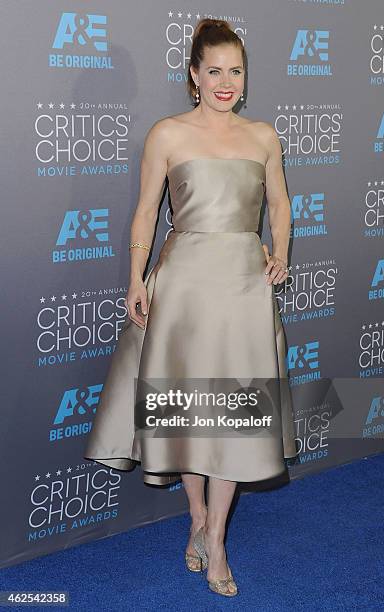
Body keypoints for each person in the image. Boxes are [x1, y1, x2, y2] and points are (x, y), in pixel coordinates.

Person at [84, 17, 297, 598]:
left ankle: (219, 540)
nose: (225, 82)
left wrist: (279, 251)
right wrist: (135, 278)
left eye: (236, 71)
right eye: (214, 71)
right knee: (187, 413)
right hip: (182, 287)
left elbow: (279, 204)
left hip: (243, 289)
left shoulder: (263, 137)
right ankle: (197, 518)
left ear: (245, 78)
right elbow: (146, 214)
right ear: (194, 77)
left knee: (232, 417)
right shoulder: (167, 134)